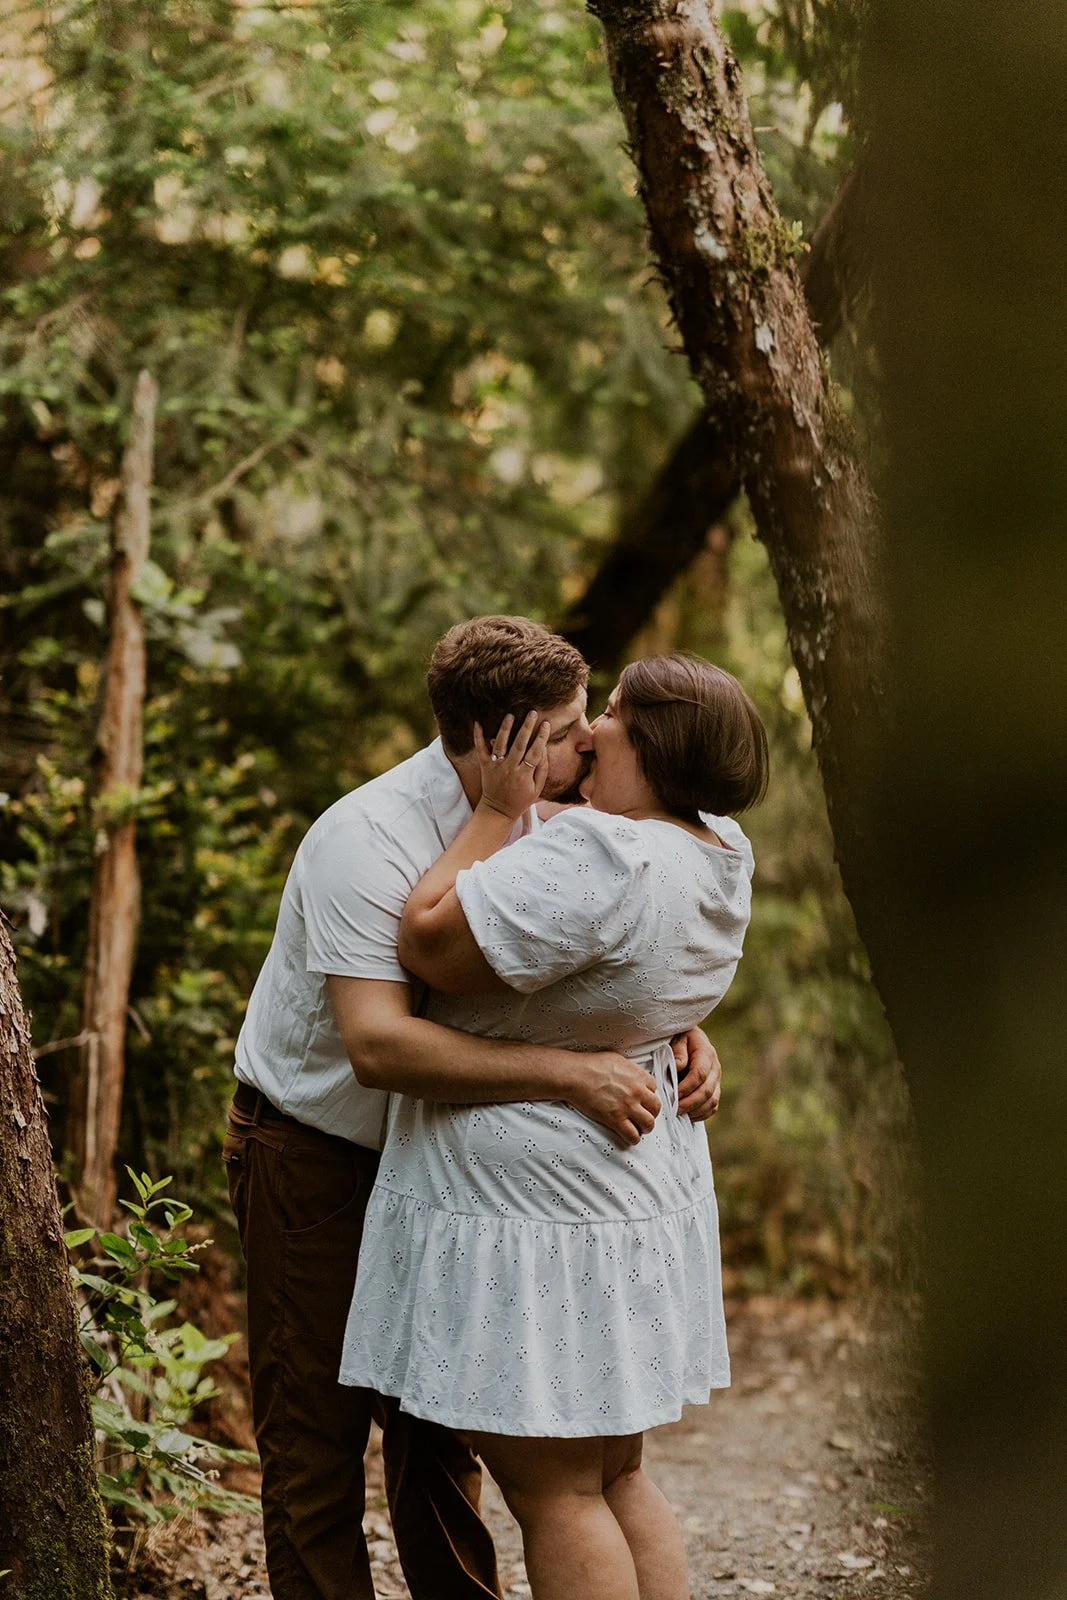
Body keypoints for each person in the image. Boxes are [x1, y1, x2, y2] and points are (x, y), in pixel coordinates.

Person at [223, 617, 724, 1600]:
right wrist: (569, 1075)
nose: (591, 744)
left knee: (439, 1441)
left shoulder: (560, 815)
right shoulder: (363, 839)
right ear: (502, 742)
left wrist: (678, 1031)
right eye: (571, 727)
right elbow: (379, 1044)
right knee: (316, 1448)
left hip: (447, 1171)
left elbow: (595, 963)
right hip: (320, 1158)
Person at [337, 653, 768, 1600]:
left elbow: (430, 942)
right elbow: (624, 972)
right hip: (623, 1196)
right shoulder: (720, 851)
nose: (591, 733)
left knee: (558, 1494)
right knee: (616, 1475)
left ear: (653, 750)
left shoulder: (601, 854)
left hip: (528, 1210)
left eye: (611, 715)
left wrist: (494, 812)